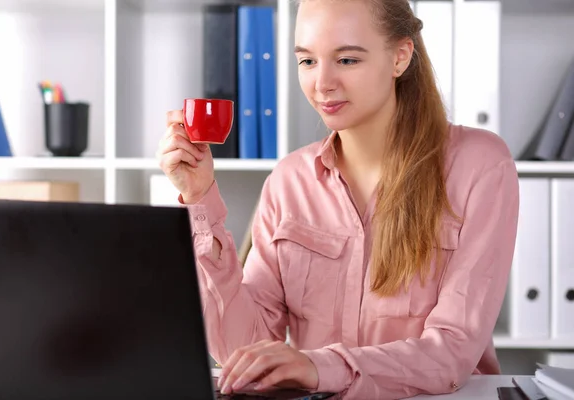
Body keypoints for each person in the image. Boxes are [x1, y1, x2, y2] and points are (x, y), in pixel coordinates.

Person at [156, 0, 520, 398]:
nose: (322, 83)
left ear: (400, 57)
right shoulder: (290, 181)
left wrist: (319, 365)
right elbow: (242, 351)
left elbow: (452, 351)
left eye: (346, 60)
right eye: (307, 61)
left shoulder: (480, 165)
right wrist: (199, 196)